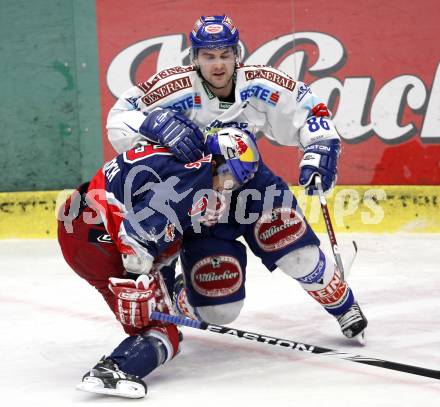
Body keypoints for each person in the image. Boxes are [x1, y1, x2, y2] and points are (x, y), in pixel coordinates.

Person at [106, 12, 367, 343]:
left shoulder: (260, 84)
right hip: (197, 196)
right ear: (195, 57)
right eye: (209, 56)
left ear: (236, 55)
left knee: (295, 250)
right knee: (220, 310)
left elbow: (309, 109)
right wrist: (149, 124)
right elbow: (118, 117)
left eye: (225, 55)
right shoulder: (171, 89)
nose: (218, 64)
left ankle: (344, 306)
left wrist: (319, 151)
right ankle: (186, 293)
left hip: (254, 186)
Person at [58, 127, 261, 398]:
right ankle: (113, 369)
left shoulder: (183, 155)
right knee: (164, 332)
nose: (226, 188)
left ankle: (166, 303)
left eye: (233, 184)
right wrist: (140, 285)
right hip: (99, 240)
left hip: (80, 227)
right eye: (226, 177)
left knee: (145, 317)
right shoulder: (195, 178)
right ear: (215, 160)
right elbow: (135, 238)